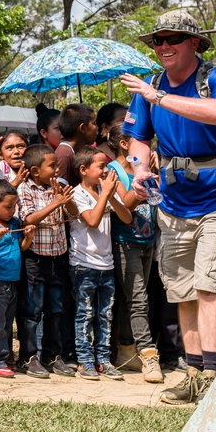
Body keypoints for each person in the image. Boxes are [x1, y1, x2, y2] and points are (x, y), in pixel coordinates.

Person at [121, 10, 216, 405]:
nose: (163, 46)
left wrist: (157, 97)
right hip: (173, 205)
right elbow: (138, 139)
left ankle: (212, 376)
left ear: (195, 42)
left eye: (172, 38)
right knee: (182, 292)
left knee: (210, 285)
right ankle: (192, 374)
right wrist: (140, 170)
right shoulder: (150, 88)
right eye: (157, 40)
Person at [70, 147, 132, 381]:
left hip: (106, 264)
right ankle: (85, 361)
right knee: (85, 314)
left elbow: (126, 218)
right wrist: (106, 194)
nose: (106, 171)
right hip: (84, 264)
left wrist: (110, 194)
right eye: (101, 167)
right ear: (83, 170)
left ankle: (103, 360)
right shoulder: (78, 194)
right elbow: (93, 221)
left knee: (104, 315)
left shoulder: (104, 190)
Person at [106, 123, 160, 382]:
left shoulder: (145, 168)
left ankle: (126, 353)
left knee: (135, 300)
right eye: (142, 142)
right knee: (138, 301)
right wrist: (141, 184)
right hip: (125, 241)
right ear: (125, 145)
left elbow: (157, 201)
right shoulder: (113, 171)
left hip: (147, 240)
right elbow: (124, 211)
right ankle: (149, 356)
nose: (147, 147)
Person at [17, 144, 76, 377]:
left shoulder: (59, 187)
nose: (56, 169)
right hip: (35, 259)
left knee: (56, 310)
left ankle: (52, 355)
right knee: (32, 311)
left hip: (57, 257)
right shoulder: (25, 189)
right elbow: (29, 218)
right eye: (52, 165)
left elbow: (74, 213)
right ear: (34, 171)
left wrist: (64, 199)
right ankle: (28, 357)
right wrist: (55, 203)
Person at [0, 180, 34, 378]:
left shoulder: (13, 223)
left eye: (15, 206)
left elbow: (22, 248)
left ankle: (4, 357)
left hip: (13, 280)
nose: (13, 210)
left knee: (6, 323)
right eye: (8, 206)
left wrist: (28, 236)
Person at [55, 104, 97, 186]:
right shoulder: (64, 154)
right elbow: (60, 192)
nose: (96, 128)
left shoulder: (73, 152)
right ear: (82, 128)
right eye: (94, 123)